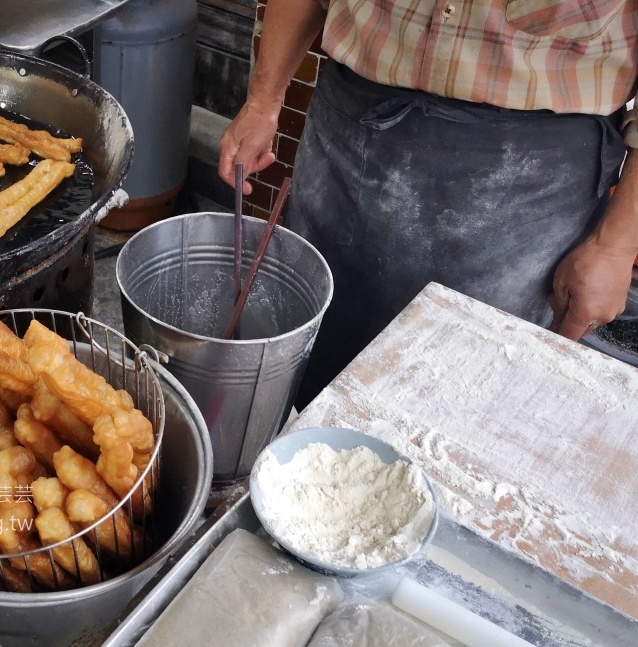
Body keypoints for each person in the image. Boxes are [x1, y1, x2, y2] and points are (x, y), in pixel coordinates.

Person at [219, 0, 638, 401]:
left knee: (458, 391)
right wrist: (262, 100)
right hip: (349, 135)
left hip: (528, 186)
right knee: (307, 361)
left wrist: (617, 246)